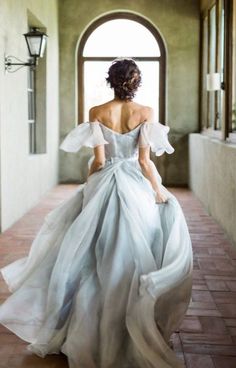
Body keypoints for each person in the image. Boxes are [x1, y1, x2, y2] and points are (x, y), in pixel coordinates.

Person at [0, 58, 193, 368]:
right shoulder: (145, 113)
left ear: (111, 81)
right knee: (132, 251)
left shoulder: (97, 112)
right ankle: (127, 323)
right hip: (133, 183)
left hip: (106, 183)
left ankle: (86, 325)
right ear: (136, 82)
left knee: (89, 254)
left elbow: (100, 161)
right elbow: (144, 162)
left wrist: (89, 184)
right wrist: (157, 189)